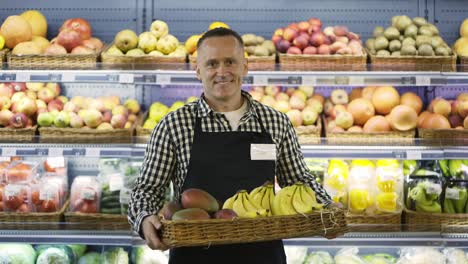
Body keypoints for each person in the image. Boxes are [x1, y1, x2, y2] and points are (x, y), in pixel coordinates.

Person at [129, 27, 340, 264]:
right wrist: (145, 217)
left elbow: (300, 182)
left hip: (263, 255)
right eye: (211, 64)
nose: (222, 71)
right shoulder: (174, 125)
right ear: (198, 71)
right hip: (194, 256)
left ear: (245, 66)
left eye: (230, 61)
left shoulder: (275, 122)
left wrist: (328, 207)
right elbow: (147, 189)